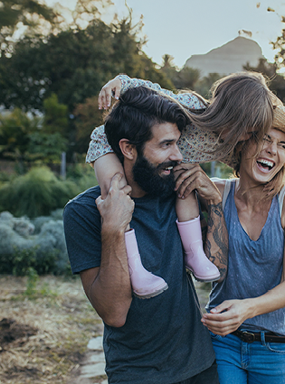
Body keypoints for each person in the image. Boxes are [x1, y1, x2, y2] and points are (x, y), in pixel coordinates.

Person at [64, 87, 225, 384]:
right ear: (128, 148)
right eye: (165, 145)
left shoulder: (175, 193)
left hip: (201, 366)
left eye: (177, 143)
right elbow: (114, 313)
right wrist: (113, 229)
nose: (177, 155)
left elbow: (220, 263)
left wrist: (213, 202)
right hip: (136, 374)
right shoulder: (83, 212)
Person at [87, 72, 274, 298]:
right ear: (230, 114)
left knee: (186, 185)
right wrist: (121, 83)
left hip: (169, 158)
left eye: (253, 132)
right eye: (246, 129)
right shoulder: (193, 107)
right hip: (107, 142)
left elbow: (250, 165)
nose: (247, 136)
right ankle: (135, 269)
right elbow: (154, 91)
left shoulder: (229, 144)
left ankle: (194, 253)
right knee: (115, 192)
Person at [198, 97, 285, 383]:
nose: (272, 151)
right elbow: (179, 132)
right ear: (242, 144)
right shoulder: (215, 192)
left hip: (276, 347)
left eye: (282, 144)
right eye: (264, 138)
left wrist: (246, 308)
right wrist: (128, 84)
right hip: (223, 341)